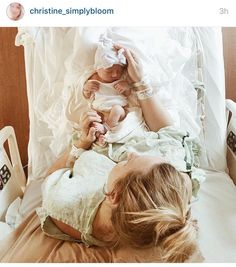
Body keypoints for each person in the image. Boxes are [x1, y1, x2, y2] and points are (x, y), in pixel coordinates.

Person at [38, 46, 200, 263]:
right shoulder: (173, 185)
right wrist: (140, 83)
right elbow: (170, 133)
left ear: (112, 194)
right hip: (132, 114)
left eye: (126, 162)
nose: (131, 153)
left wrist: (81, 143)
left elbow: (52, 177)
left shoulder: (69, 207)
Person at [83, 36, 131, 145]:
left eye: (119, 70)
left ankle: (105, 129)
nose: (115, 74)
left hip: (118, 111)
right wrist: (86, 88)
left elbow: (128, 95)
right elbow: (87, 96)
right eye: (109, 71)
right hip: (100, 109)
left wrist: (127, 86)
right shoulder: (93, 78)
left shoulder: (121, 79)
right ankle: (98, 137)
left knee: (117, 109)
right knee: (91, 117)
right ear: (97, 68)